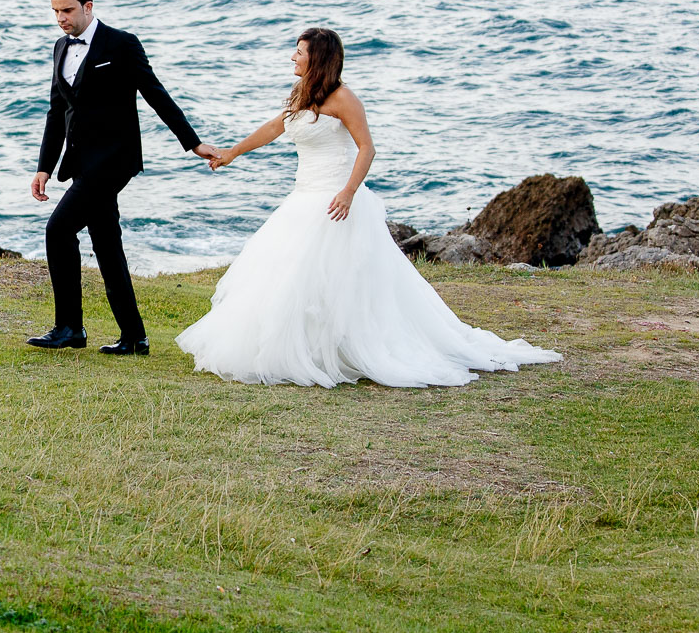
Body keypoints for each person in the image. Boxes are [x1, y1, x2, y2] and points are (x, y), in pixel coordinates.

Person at [177, 27, 561, 387]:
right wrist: (233, 153)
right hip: (302, 196)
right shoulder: (301, 93)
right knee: (287, 274)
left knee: (337, 278)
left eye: (299, 53)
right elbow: (276, 127)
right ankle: (302, 348)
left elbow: (366, 148)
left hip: (334, 199)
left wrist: (348, 192)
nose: (292, 58)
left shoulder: (344, 98)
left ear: (319, 59)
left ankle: (346, 349)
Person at [29, 0, 219, 355]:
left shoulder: (122, 44)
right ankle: (134, 337)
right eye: (55, 11)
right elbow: (56, 111)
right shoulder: (60, 47)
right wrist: (44, 167)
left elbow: (155, 94)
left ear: (88, 6)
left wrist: (193, 143)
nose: (60, 18)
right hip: (81, 161)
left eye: (67, 10)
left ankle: (70, 328)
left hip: (114, 159)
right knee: (106, 242)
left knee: (58, 229)